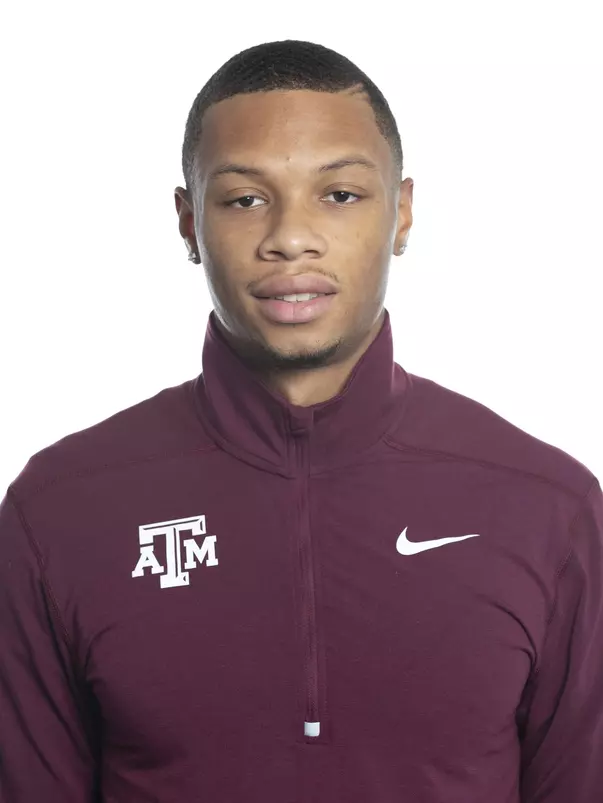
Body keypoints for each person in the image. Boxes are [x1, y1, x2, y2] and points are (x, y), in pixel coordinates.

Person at [0, 38, 601, 803]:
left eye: (339, 195)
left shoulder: (544, 504)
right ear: (188, 221)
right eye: (244, 198)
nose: (289, 236)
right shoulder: (62, 508)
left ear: (402, 211)